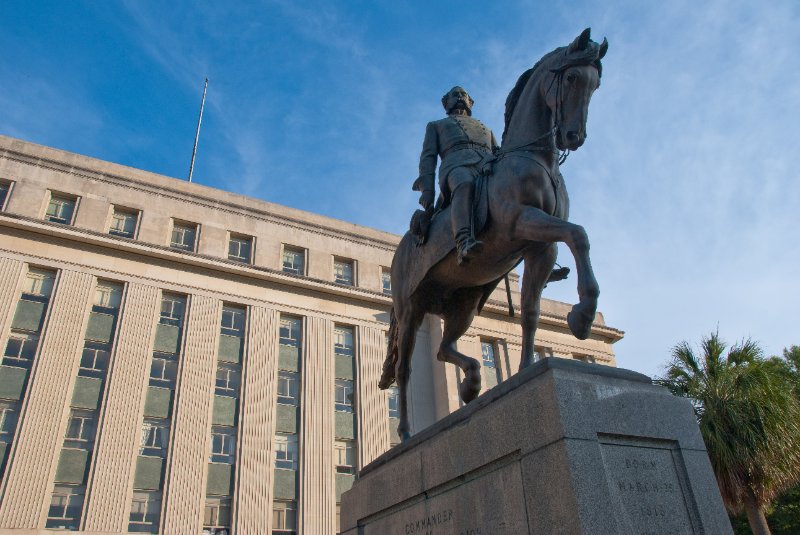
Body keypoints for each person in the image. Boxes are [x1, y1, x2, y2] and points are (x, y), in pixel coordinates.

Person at [413, 86, 498, 264]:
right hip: (456, 165)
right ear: (446, 103)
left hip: (488, 165)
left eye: (463, 95)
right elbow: (428, 157)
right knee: (464, 185)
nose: (459, 97)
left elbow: (498, 151)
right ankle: (463, 241)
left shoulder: (486, 129)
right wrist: (427, 189)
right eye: (455, 95)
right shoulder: (436, 125)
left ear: (470, 102)